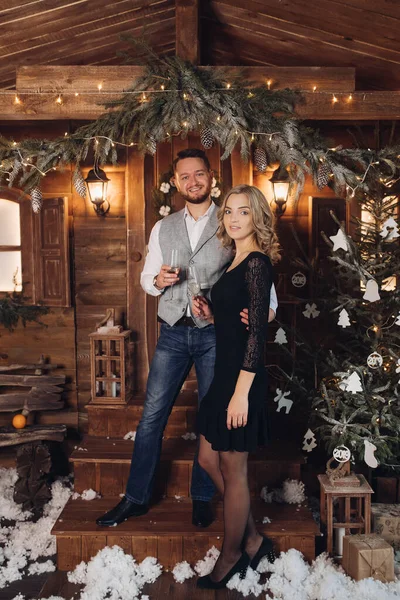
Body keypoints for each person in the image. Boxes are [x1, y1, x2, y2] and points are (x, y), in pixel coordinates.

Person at [96, 149, 278, 529]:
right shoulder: (163, 227)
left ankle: (201, 496)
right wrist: (157, 282)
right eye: (184, 176)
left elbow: (265, 295)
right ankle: (135, 497)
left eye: (199, 174)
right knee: (151, 418)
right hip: (173, 333)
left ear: (211, 177)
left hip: (217, 338)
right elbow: (147, 278)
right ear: (176, 183)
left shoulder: (231, 219)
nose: (192, 181)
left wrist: (261, 317)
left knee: (210, 421)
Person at [192, 184, 280, 589]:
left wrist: (242, 392)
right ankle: (253, 538)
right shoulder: (234, 260)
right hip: (225, 371)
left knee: (233, 467)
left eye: (243, 212)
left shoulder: (258, 262)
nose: (233, 218)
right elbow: (237, 322)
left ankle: (232, 556)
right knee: (210, 459)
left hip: (242, 377)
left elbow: (258, 333)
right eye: (228, 211)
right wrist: (213, 315)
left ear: (257, 217)